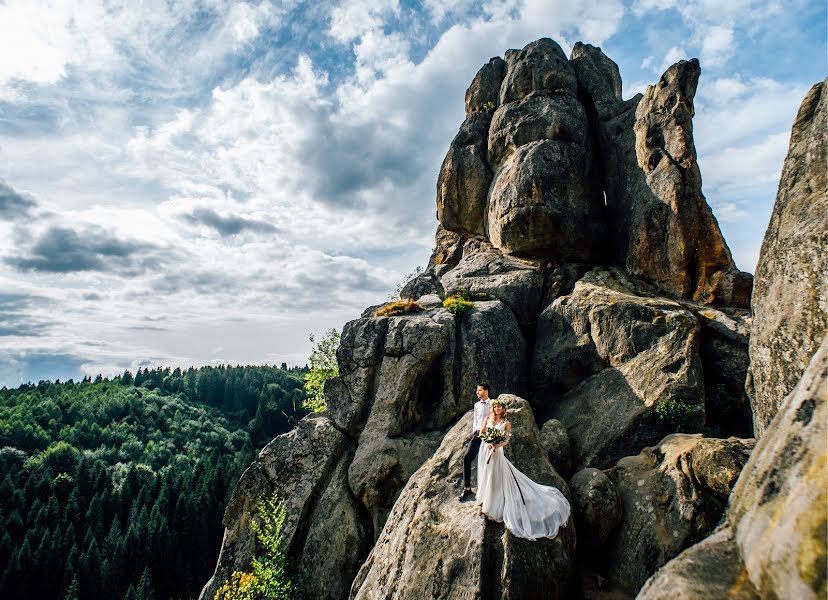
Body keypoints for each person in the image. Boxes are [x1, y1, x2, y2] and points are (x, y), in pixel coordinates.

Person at [475, 399, 570, 540]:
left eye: (499, 407)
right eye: (495, 407)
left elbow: (507, 440)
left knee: (496, 475)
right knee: (486, 473)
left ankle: (494, 503)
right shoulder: (488, 418)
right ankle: (485, 496)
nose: (497, 409)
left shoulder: (506, 424)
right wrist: (488, 442)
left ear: (503, 408)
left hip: (497, 451)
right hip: (485, 449)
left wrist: (497, 445)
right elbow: (482, 433)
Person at [458, 383, 492, 501]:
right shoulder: (477, 405)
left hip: (488, 436)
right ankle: (467, 488)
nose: (477, 392)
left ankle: (490, 490)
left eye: (479, 390)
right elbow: (476, 420)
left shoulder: (493, 404)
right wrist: (474, 432)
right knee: (467, 458)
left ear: (486, 391)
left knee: (488, 462)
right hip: (477, 435)